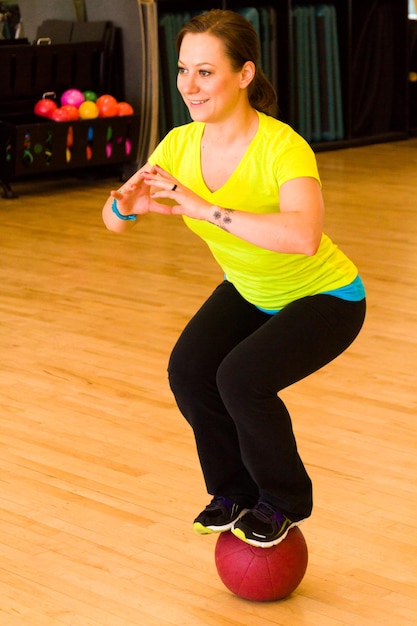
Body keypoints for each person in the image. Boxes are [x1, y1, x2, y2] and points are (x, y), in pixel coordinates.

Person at [102, 9, 366, 548]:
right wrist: (126, 206)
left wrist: (202, 208)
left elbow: (303, 237)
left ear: (243, 74)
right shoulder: (178, 143)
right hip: (251, 289)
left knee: (241, 378)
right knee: (189, 370)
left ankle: (284, 500)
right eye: (182, 70)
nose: (189, 87)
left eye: (205, 72)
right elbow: (112, 219)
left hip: (326, 297)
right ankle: (234, 491)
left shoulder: (282, 147)